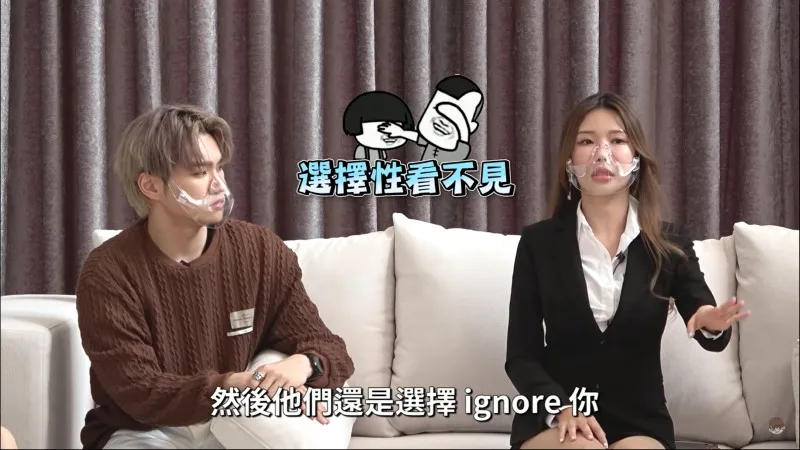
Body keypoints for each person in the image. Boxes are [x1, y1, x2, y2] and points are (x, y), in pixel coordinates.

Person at [75, 104, 355, 449]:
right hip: (143, 431)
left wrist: (304, 363)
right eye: (199, 172)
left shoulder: (259, 250)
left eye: (219, 167)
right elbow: (140, 390)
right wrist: (232, 385)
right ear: (151, 186)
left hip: (235, 425)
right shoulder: (108, 272)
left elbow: (331, 348)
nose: (219, 184)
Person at [504, 92, 750, 450]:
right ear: (570, 160)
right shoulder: (539, 243)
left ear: (636, 157)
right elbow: (521, 356)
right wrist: (559, 408)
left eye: (617, 140)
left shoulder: (669, 242)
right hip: (562, 416)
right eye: (586, 141)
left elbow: (701, 310)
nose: (601, 153)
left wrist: (710, 321)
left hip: (640, 420)